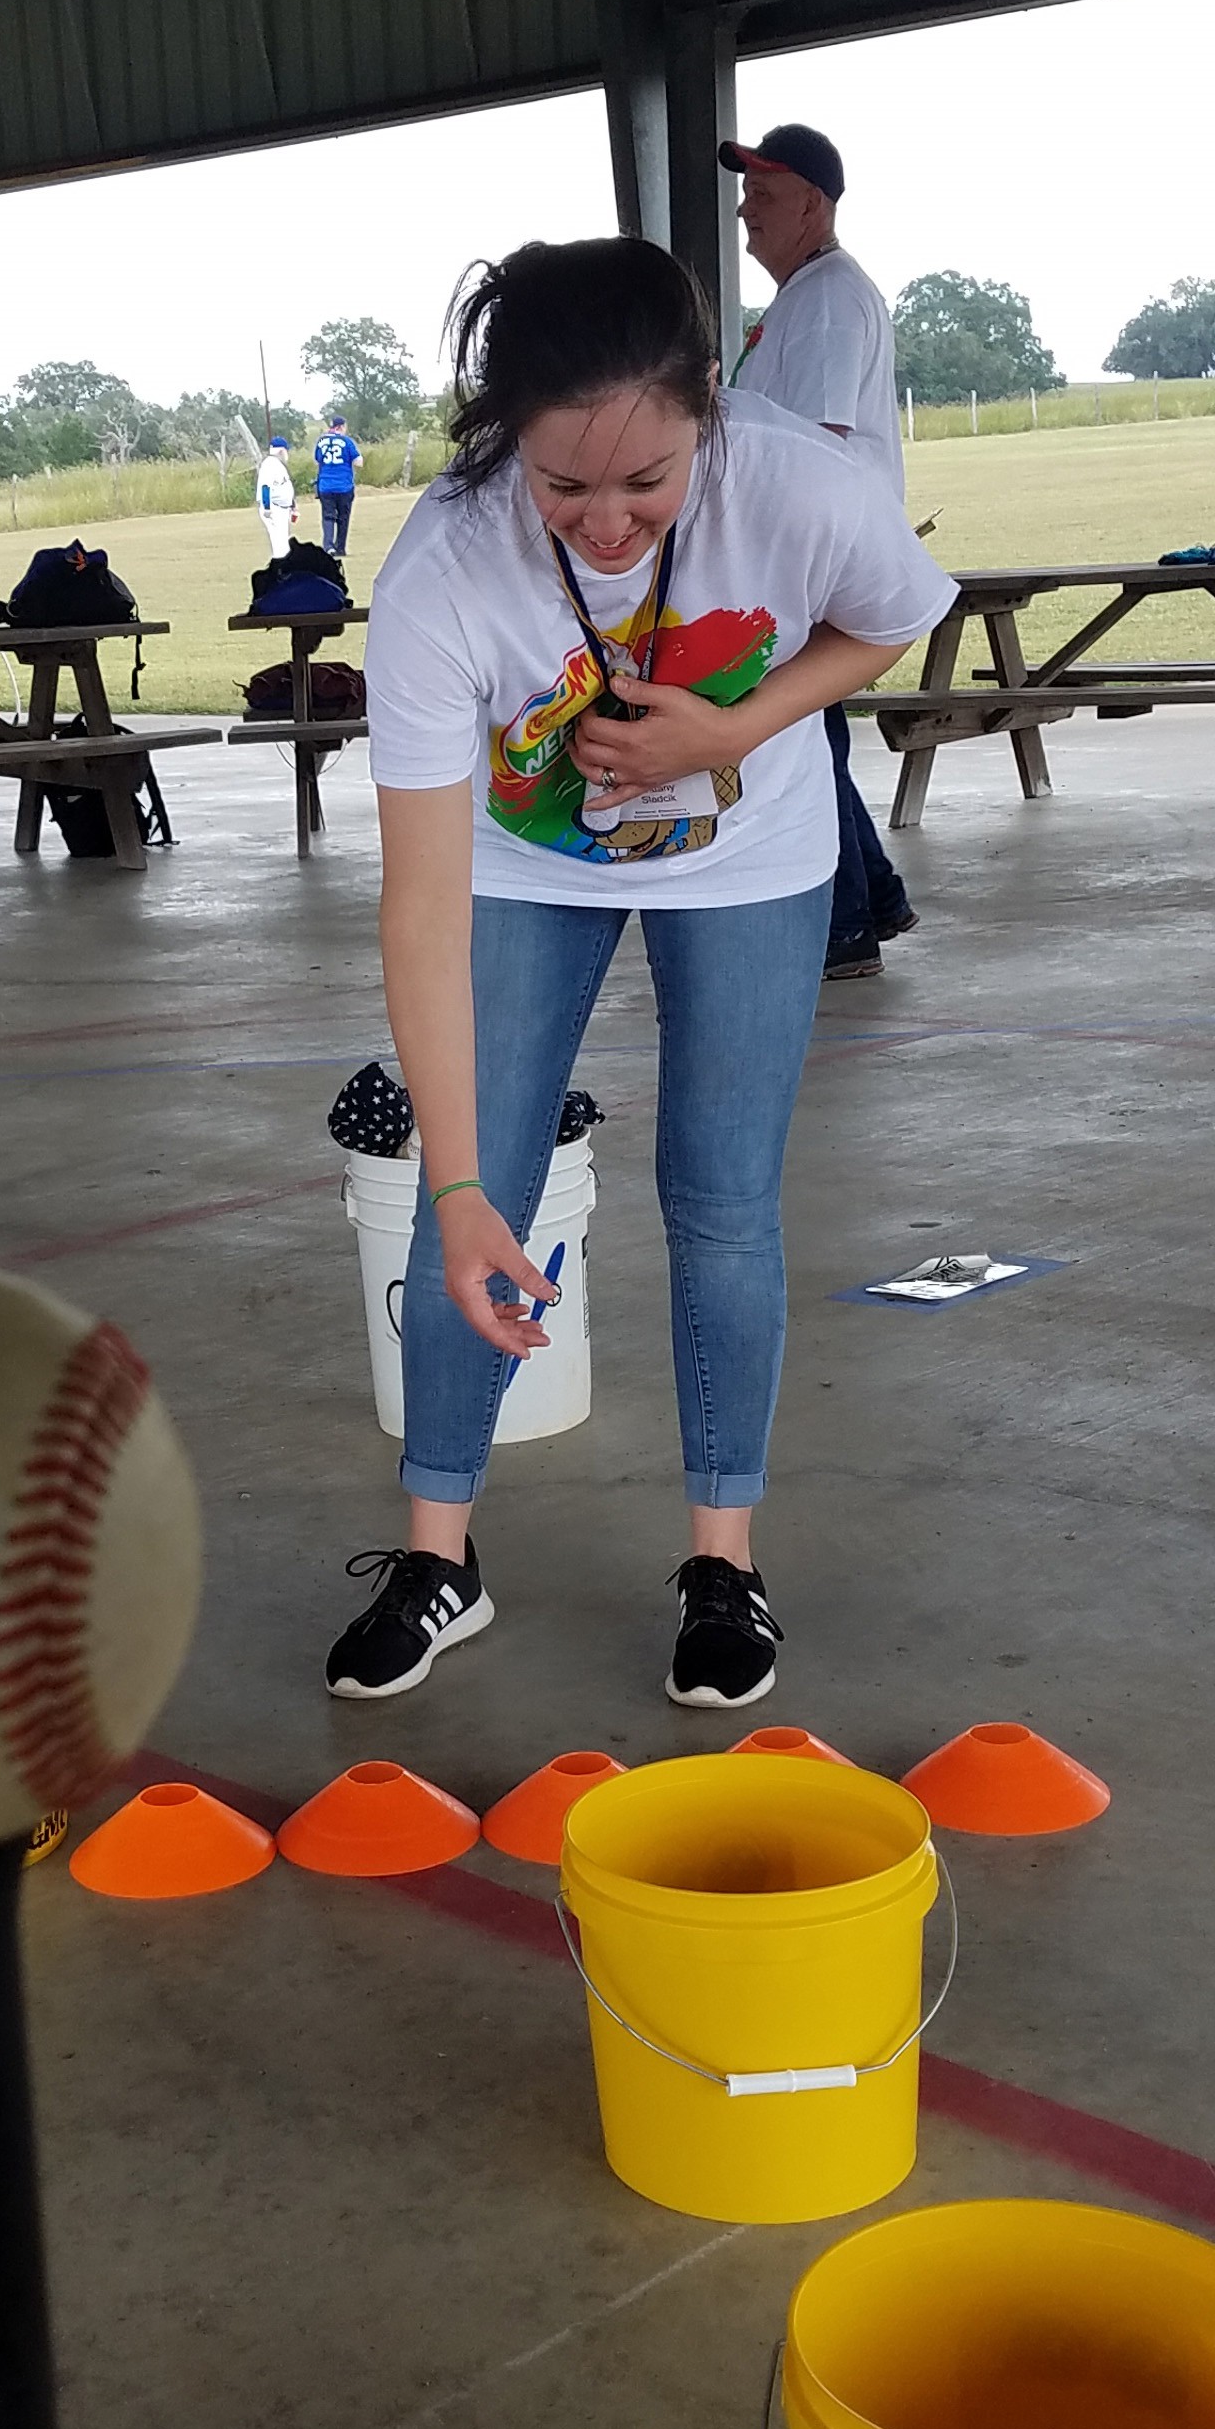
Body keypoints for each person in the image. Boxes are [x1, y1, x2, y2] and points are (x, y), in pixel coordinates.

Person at [329, 236, 955, 1707]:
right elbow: (420, 903)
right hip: (521, 867)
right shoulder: (443, 571)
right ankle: (438, 1557)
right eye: (563, 485)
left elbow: (897, 615)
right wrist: (462, 1188)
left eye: (647, 483)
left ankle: (724, 1566)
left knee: (722, 1200)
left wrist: (735, 728)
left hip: (750, 859)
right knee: (464, 1191)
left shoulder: (798, 484)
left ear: (708, 412)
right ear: (505, 444)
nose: (606, 523)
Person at [720, 121, 918, 982]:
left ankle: (842, 926)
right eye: (746, 195)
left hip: (817, 546)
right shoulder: (806, 295)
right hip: (813, 542)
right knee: (810, 717)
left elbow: (815, 439)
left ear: (814, 205)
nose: (745, 211)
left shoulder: (829, 297)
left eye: (763, 195)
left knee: (794, 722)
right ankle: (872, 897)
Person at [313, 410, 361, 561]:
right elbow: (358, 462)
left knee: (328, 516)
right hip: (344, 485)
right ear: (341, 427)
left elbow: (317, 460)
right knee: (343, 517)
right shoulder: (347, 442)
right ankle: (340, 547)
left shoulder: (321, 441)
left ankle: (328, 546)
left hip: (325, 485)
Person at [256, 435, 296, 562]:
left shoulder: (278, 465)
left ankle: (282, 564)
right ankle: (280, 565)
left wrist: (293, 506)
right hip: (274, 507)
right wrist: (267, 507)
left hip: (282, 507)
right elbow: (265, 487)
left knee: (283, 540)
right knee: (279, 542)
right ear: (281, 451)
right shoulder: (269, 465)